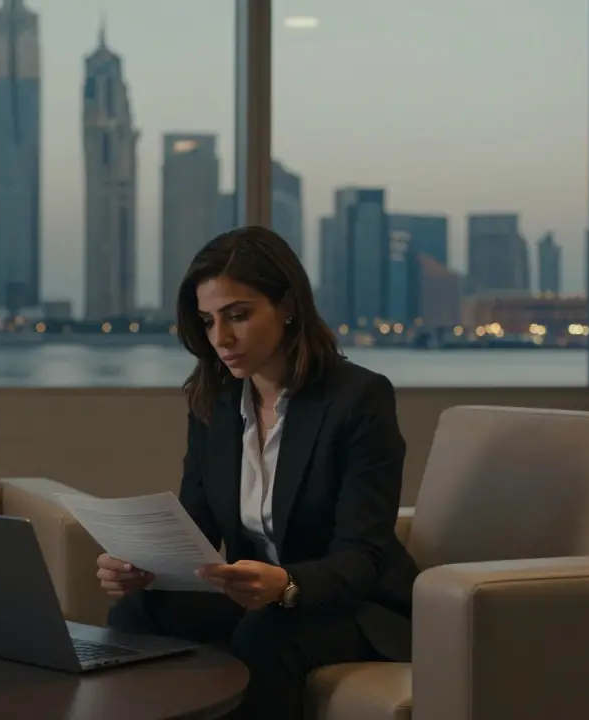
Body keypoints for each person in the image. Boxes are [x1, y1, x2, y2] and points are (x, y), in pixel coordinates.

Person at [96, 226, 419, 719]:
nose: (220, 338)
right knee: (138, 611)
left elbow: (363, 556)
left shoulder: (359, 399)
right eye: (207, 321)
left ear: (288, 306)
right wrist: (144, 565)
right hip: (256, 597)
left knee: (267, 633)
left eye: (238, 316)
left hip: (355, 606)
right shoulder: (215, 401)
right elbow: (197, 525)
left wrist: (287, 584)